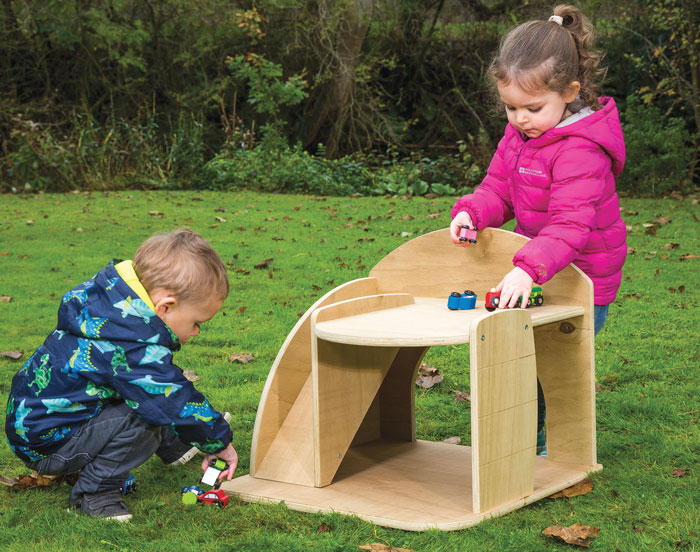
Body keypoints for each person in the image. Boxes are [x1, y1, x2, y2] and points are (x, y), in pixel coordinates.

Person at [449, 5, 626, 454]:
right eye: (510, 108)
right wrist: (474, 212)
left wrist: (528, 267)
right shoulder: (522, 136)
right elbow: (500, 190)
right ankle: (525, 439)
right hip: (541, 268)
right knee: (526, 358)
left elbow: (570, 224)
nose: (519, 119)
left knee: (553, 365)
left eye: (531, 108)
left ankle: (551, 449)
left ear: (569, 92)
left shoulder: (581, 150)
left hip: (583, 276)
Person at [5, 228, 238, 521]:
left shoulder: (112, 311)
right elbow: (171, 398)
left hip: (42, 424)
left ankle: (173, 444)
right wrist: (218, 442)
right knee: (146, 411)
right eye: (196, 322)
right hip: (51, 442)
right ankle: (94, 493)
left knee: (149, 389)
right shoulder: (128, 345)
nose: (196, 331)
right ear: (165, 307)